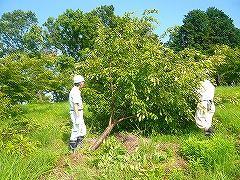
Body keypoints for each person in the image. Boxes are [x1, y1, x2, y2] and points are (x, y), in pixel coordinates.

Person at [69, 75, 86, 152]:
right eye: (83, 82)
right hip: (77, 112)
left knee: (82, 129)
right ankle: (72, 148)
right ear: (80, 83)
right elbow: (75, 104)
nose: (83, 84)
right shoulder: (75, 92)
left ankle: (79, 144)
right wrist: (78, 115)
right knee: (76, 130)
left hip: (78, 112)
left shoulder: (75, 90)